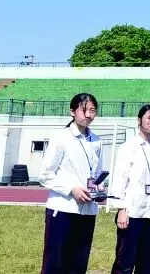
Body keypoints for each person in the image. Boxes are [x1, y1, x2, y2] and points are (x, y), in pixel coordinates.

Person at [39, 92, 106, 274]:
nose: (88, 115)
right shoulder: (61, 137)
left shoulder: (97, 140)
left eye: (93, 110)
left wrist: (99, 189)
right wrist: (71, 189)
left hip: (88, 211)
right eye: (84, 110)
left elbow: (96, 173)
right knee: (55, 264)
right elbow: (45, 175)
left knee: (79, 264)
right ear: (72, 111)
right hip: (63, 209)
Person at [109, 104, 150, 274]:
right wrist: (121, 209)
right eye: (149, 118)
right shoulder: (128, 147)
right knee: (125, 262)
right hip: (132, 212)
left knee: (148, 264)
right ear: (139, 120)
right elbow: (120, 179)